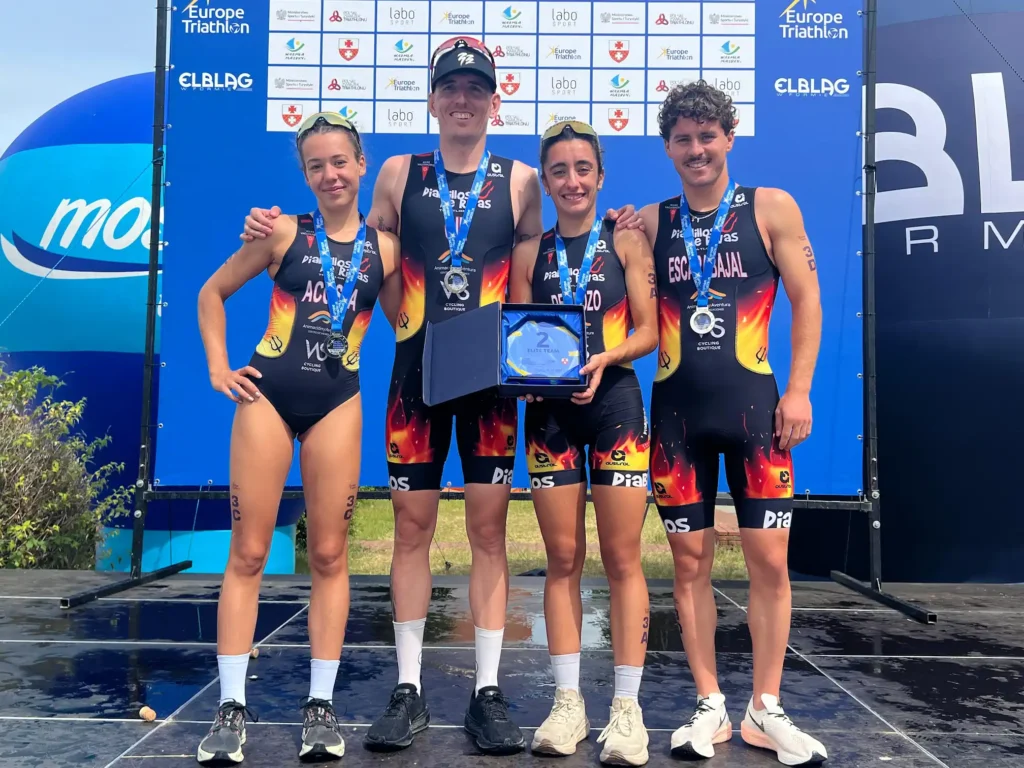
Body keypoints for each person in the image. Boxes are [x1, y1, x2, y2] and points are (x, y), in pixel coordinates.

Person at [240, 36, 643, 757]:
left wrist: (621, 226)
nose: (463, 99)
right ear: (431, 100)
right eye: (450, 88)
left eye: (475, 89)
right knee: (410, 530)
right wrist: (274, 229)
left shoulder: (523, 181)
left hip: (490, 386)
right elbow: (364, 256)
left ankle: (487, 691)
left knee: (488, 533)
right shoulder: (398, 173)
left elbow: (538, 270)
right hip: (416, 382)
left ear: (494, 101)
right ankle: (408, 689)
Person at [195, 112, 401, 765]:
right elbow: (211, 293)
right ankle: (230, 707)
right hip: (268, 399)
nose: (330, 174)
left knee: (330, 555)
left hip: (338, 404)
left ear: (361, 164)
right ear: (305, 174)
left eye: (340, 161)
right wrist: (219, 368)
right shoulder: (282, 232)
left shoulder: (387, 250)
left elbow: (415, 320)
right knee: (250, 552)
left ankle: (320, 705)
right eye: (316, 165)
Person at [637, 80, 828, 765]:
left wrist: (799, 391)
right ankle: (710, 703)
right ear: (668, 148)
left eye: (707, 137)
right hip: (676, 420)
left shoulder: (771, 207)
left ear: (729, 138)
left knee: (769, 560)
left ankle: (765, 706)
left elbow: (808, 301)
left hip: (757, 414)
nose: (696, 150)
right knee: (688, 562)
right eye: (683, 139)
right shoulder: (650, 223)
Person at [507, 120, 658, 766]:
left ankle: (627, 707)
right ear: (546, 181)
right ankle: (568, 702)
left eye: (583, 169)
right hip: (550, 418)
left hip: (616, 404)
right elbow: (516, 335)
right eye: (560, 171)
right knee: (562, 557)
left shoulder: (626, 239)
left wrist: (604, 358)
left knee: (622, 558)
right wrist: (523, 379)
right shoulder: (528, 254)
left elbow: (650, 331)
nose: (572, 181)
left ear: (600, 176)